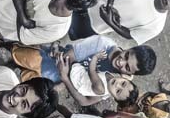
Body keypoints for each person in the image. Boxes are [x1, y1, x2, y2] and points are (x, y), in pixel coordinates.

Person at [69, 0, 169, 45]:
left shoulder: (157, 26)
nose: (168, 0)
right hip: (88, 1)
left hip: (93, 26)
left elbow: (131, 35)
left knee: (68, 34)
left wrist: (111, 22)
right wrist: (109, 5)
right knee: (60, 10)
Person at [11, 35, 157, 83]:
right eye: (126, 55)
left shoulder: (118, 80)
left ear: (130, 74)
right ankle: (4, 45)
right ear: (129, 48)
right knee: (20, 57)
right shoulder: (102, 43)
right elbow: (68, 58)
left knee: (20, 81)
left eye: (127, 67)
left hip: (61, 77)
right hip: (54, 60)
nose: (121, 62)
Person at [56, 52, 140, 107]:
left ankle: (56, 54)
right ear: (125, 78)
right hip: (85, 80)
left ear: (114, 98)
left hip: (77, 77)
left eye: (118, 91)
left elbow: (91, 71)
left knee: (70, 57)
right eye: (123, 83)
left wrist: (96, 57)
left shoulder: (100, 88)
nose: (117, 85)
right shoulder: (110, 86)